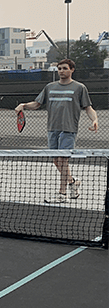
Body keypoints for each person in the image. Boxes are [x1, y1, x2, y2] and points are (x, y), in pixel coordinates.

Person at [14, 58, 98, 203]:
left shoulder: (79, 88)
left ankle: (62, 193)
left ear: (72, 70)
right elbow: (37, 104)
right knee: (55, 160)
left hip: (69, 129)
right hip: (52, 129)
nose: (61, 71)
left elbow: (88, 108)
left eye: (65, 68)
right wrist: (24, 105)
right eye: (59, 69)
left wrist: (94, 120)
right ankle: (72, 181)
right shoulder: (49, 87)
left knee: (63, 160)